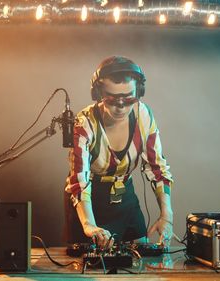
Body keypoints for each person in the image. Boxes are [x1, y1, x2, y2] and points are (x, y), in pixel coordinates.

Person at [64, 56, 174, 249]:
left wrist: (167, 216)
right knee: (88, 268)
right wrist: (89, 225)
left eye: (129, 98)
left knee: (141, 259)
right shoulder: (85, 123)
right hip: (90, 202)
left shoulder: (144, 115)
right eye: (112, 99)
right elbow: (79, 181)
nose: (121, 106)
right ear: (98, 93)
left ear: (139, 92)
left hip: (125, 198)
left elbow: (157, 169)